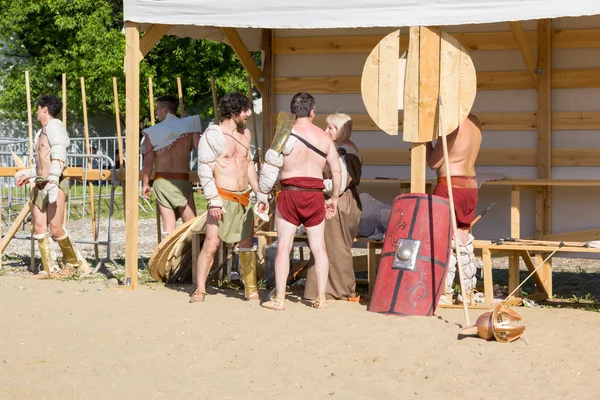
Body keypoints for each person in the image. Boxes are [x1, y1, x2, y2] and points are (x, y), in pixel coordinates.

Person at [256, 92, 342, 311]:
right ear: (313, 112)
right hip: (314, 195)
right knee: (319, 247)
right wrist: (334, 198)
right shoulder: (324, 138)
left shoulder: (284, 133)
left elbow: (269, 167)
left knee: (284, 247)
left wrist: (263, 196)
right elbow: (336, 169)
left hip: (290, 193)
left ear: (293, 111)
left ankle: (280, 299)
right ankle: (321, 298)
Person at [191, 92, 260, 303]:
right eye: (244, 110)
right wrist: (213, 199)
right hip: (222, 197)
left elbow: (248, 165)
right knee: (211, 244)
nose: (248, 113)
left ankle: (251, 289)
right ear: (232, 112)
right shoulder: (213, 135)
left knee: (247, 243)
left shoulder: (245, 134)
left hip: (244, 198)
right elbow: (205, 169)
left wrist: (260, 193)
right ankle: (200, 290)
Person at [14, 95, 91, 278]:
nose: (36, 112)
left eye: (38, 108)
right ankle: (50, 269)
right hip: (41, 182)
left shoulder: (54, 127)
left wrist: (54, 179)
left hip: (54, 182)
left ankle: (74, 264)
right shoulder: (43, 131)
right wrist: (28, 174)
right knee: (39, 227)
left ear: (44, 109)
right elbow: (42, 163)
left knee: (56, 228)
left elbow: (58, 154)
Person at [303, 113, 363, 302]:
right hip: (338, 202)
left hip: (341, 203)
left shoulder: (347, 153)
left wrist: (314, 183)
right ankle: (324, 290)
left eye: (331, 128)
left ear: (341, 130)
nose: (326, 130)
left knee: (337, 247)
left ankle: (343, 291)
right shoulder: (342, 149)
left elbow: (341, 182)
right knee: (325, 246)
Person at [426, 114, 482, 305]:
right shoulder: (475, 122)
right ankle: (467, 292)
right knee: (463, 240)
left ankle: (445, 292)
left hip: (450, 184)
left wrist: (424, 141)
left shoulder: (452, 123)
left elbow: (434, 162)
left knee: (444, 239)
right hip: (470, 185)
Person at [141, 95, 201, 236]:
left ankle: (170, 257)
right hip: (183, 181)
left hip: (163, 182)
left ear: (165, 110)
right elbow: (202, 150)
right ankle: (191, 256)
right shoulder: (190, 127)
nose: (156, 113)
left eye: (157, 109)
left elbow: (148, 161)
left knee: (169, 229)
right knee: (191, 227)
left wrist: (145, 184)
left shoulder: (153, 132)